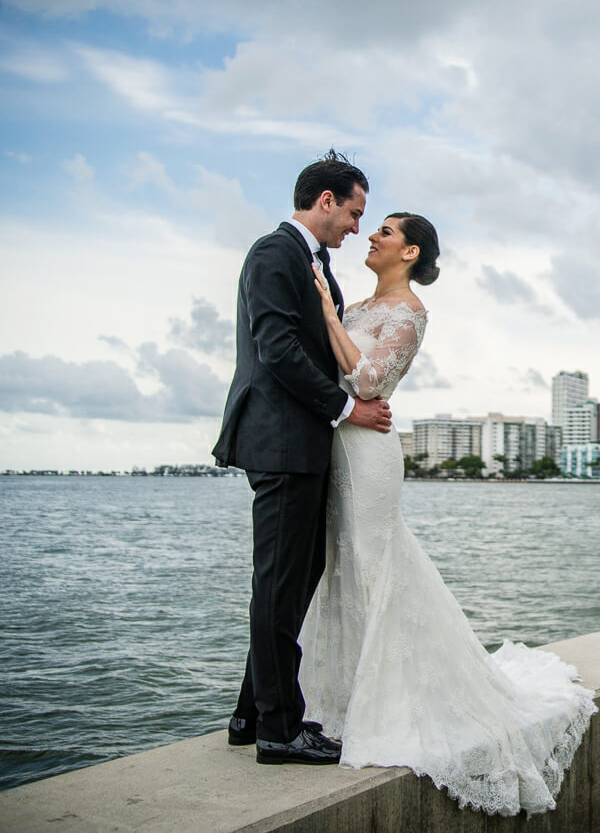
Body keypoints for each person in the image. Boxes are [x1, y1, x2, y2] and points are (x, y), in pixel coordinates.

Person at [296, 212, 597, 815]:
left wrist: (327, 315)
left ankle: (392, 699)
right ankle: (337, 697)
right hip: (336, 448)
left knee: (373, 561)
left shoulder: (408, 313)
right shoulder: (357, 302)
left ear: (409, 252)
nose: (373, 237)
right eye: (372, 226)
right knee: (341, 566)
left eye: (385, 231)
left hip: (370, 453)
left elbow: (369, 379)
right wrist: (331, 314)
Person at [212, 151, 393, 766]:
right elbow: (278, 349)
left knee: (286, 587)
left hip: (300, 445)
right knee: (279, 584)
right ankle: (280, 730)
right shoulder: (274, 253)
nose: (354, 227)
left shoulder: (311, 264)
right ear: (324, 201)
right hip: (282, 443)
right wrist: (346, 411)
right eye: (352, 212)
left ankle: (251, 713)